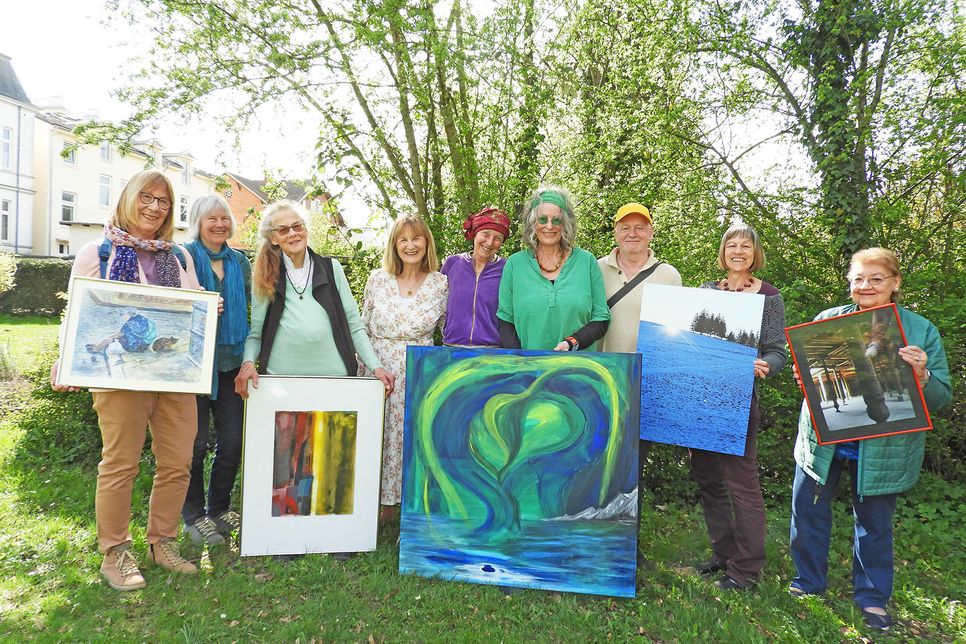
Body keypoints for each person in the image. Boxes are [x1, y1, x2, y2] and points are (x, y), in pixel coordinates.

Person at [50, 170, 203, 591]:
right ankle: (115, 552)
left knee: (177, 463)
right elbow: (77, 314)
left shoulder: (180, 258)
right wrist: (64, 360)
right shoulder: (96, 253)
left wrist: (209, 312)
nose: (156, 208)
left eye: (165, 202)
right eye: (148, 198)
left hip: (174, 376)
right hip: (118, 377)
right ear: (130, 198)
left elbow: (192, 308)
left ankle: (162, 542)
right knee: (121, 463)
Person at [789, 247, 951, 631]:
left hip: (883, 448)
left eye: (876, 279)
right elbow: (816, 381)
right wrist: (806, 381)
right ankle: (808, 583)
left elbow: (942, 397)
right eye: (859, 279)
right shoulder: (827, 321)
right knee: (808, 512)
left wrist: (924, 377)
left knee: (874, 524)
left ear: (895, 284)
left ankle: (872, 597)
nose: (866, 286)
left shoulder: (919, 330)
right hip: (824, 442)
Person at [690, 222, 787, 591]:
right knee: (708, 479)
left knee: (742, 484)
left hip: (739, 401)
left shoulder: (770, 298)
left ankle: (746, 570)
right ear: (723, 251)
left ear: (755, 254)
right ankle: (723, 553)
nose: (738, 250)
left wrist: (768, 364)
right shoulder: (706, 291)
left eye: (746, 245)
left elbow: (777, 350)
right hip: (700, 399)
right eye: (732, 244)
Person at [597, 202, 682, 567]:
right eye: (625, 226)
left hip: (647, 384)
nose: (632, 233)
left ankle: (627, 547)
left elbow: (676, 332)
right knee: (599, 463)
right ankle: (595, 542)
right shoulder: (595, 269)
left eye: (640, 227)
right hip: (601, 380)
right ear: (615, 231)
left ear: (651, 232)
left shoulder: (669, 275)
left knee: (632, 467)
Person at [358, 215, 447, 516]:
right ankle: (371, 504)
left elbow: (451, 331)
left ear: (427, 242)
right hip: (379, 371)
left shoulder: (441, 284)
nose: (410, 245)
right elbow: (363, 328)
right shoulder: (377, 279)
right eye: (403, 239)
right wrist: (366, 371)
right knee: (377, 435)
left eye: (416, 238)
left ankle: (408, 508)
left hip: (419, 373)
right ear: (394, 244)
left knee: (412, 438)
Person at [181, 195, 251, 547]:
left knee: (233, 440)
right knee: (193, 446)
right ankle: (193, 516)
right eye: (212, 219)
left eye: (224, 218)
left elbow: (255, 309)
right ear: (198, 220)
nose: (220, 224)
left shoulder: (240, 261)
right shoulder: (183, 257)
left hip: (232, 363)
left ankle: (219, 508)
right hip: (193, 364)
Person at [497, 185, 609, 351]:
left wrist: (572, 342)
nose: (549, 226)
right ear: (533, 223)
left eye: (556, 220)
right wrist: (521, 362)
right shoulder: (514, 264)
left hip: (577, 370)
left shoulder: (587, 262)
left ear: (565, 224)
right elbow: (505, 319)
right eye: (542, 219)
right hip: (529, 371)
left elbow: (601, 318)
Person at [440, 206, 511, 347]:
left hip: (491, 353)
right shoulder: (452, 264)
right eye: (485, 234)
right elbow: (438, 304)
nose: (490, 242)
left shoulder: (506, 268)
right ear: (475, 234)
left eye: (497, 238)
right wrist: (446, 331)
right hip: (451, 349)